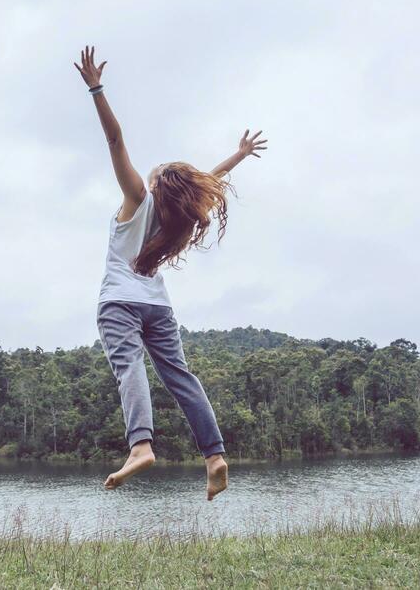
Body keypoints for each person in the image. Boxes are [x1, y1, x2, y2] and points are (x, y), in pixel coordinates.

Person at [73, 45, 268, 501]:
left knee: (128, 367)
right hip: (157, 305)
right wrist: (237, 157)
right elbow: (209, 179)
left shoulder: (137, 199)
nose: (152, 169)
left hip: (119, 301)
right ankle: (215, 458)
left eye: (157, 170)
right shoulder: (177, 217)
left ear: (156, 183)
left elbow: (115, 142)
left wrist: (97, 89)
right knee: (179, 375)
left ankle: (140, 446)